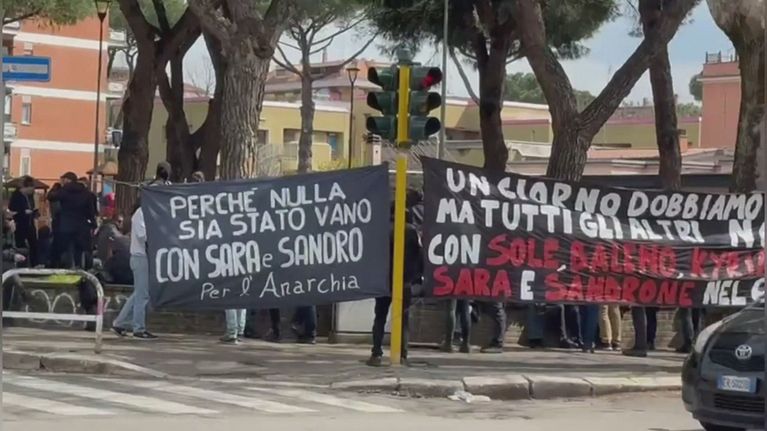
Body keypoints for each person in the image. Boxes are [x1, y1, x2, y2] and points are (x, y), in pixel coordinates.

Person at [367, 206, 423, 367]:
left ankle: (376, 354)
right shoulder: (412, 232)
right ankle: (403, 355)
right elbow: (420, 257)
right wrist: (417, 277)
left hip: (384, 281)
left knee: (380, 317)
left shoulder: (381, 230)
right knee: (403, 320)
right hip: (405, 282)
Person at [111, 200, 157, 340]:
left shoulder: (145, 213)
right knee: (142, 294)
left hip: (143, 257)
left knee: (139, 293)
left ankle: (120, 323)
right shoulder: (140, 213)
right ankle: (138, 328)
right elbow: (143, 235)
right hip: (140, 257)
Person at [48, 172, 97, 270]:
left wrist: (55, 188)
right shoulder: (86, 193)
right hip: (81, 225)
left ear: (67, 180)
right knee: (80, 249)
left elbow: (51, 197)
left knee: (66, 249)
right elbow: (91, 211)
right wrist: (93, 223)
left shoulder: (64, 191)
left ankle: (66, 267)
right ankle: (79, 267)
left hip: (66, 225)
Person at [8, 176, 38, 266]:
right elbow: (12, 209)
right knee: (21, 245)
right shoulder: (16, 196)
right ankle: (21, 263)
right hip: (20, 224)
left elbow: (32, 206)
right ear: (26, 188)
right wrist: (23, 211)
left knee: (34, 244)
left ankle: (34, 263)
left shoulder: (29, 196)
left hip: (29, 223)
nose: (31, 191)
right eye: (30, 189)